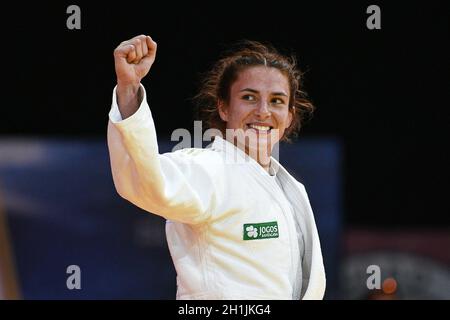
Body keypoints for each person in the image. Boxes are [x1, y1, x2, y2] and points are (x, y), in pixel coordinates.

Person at [107, 34, 326, 300]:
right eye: (249, 97)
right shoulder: (209, 170)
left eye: (277, 101)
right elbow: (145, 180)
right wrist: (128, 88)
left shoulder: (291, 189)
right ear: (223, 107)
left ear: (289, 116)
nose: (263, 111)